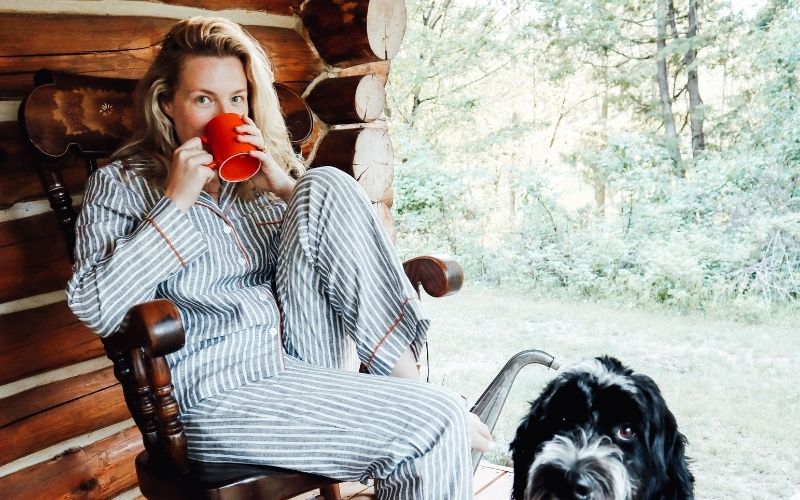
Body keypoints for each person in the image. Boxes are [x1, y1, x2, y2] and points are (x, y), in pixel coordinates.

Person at [66, 16, 491, 499]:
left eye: (236, 99)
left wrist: (289, 189)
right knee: (438, 425)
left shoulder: (255, 183)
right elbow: (95, 307)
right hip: (215, 394)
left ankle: (413, 389)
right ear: (168, 104)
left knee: (324, 182)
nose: (223, 113)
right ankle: (428, 402)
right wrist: (176, 203)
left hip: (298, 363)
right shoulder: (121, 184)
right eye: (203, 99)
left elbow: (323, 263)